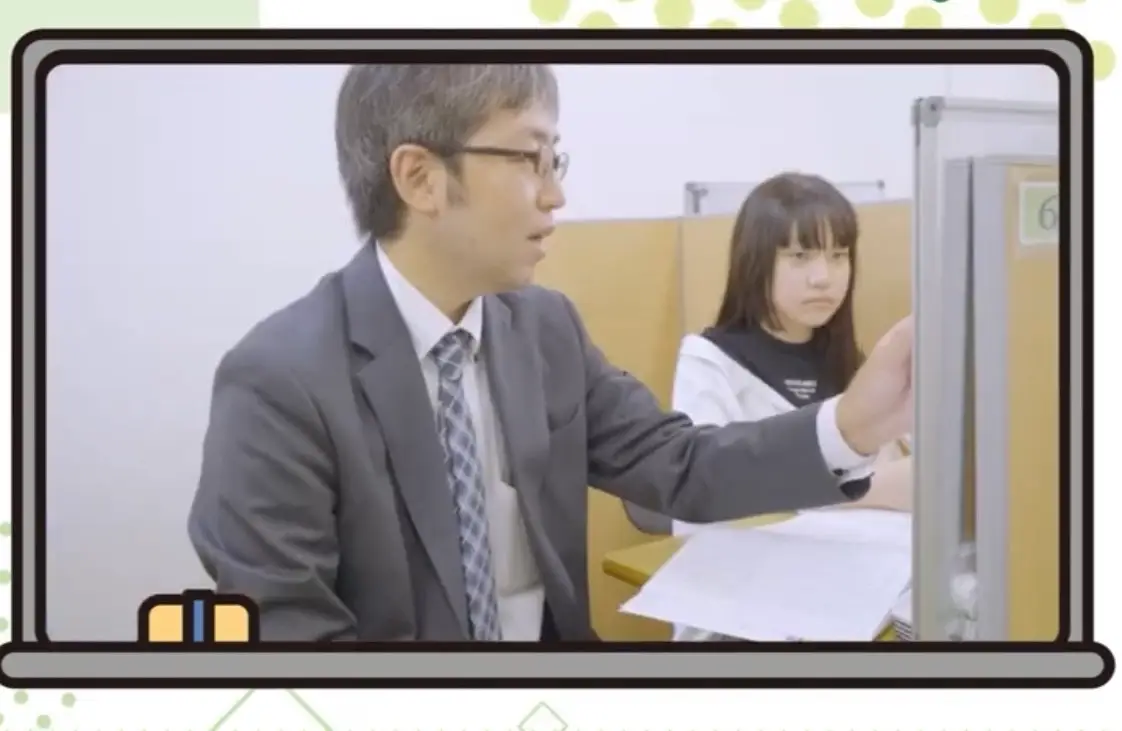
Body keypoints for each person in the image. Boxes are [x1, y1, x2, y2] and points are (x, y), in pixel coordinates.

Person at [187, 65, 914, 643]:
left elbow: (681, 465)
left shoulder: (545, 329)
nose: (557, 193)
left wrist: (850, 424)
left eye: (554, 158)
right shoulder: (279, 382)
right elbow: (294, 640)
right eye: (531, 158)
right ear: (419, 178)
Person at [663, 172, 914, 641]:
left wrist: (820, 493)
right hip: (742, 614)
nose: (824, 277)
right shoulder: (710, 361)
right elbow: (707, 502)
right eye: (800, 257)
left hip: (847, 593)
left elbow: (919, 480)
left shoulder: (850, 363)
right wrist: (860, 487)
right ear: (756, 261)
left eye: (839, 255)